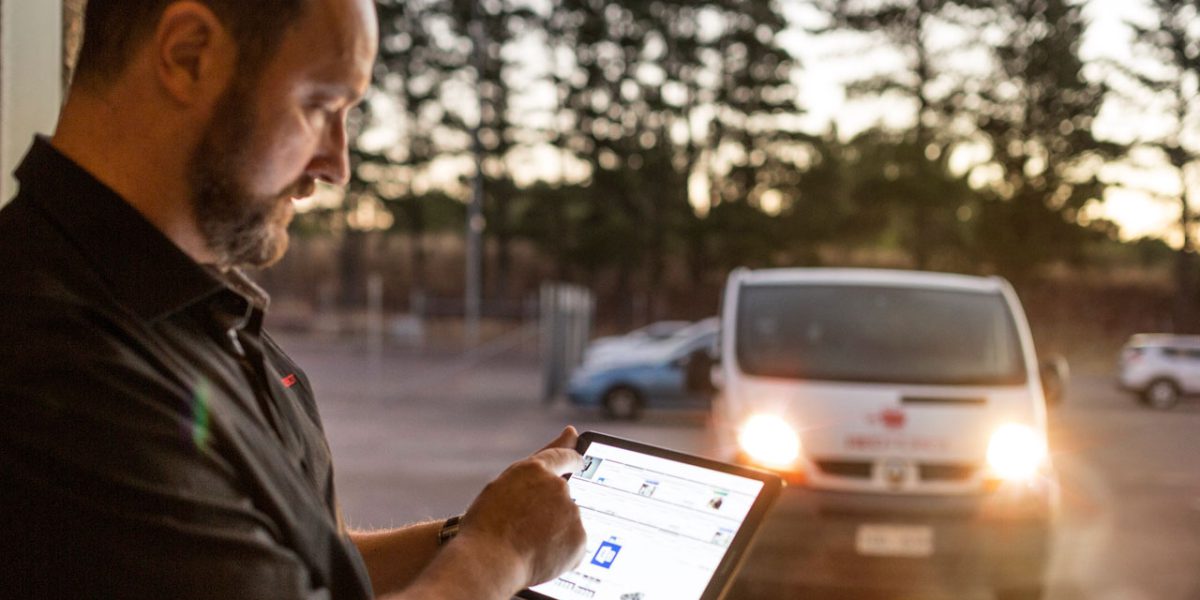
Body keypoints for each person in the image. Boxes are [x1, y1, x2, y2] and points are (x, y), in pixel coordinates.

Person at [0, 0, 586, 598]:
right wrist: (497, 553)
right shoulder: (54, 357)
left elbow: (298, 571)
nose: (338, 165)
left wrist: (477, 531)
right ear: (188, 55)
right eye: (320, 105)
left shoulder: (189, 311)